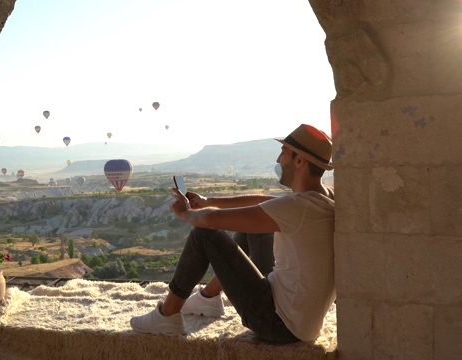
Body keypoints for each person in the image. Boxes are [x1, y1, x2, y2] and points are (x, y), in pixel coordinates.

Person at [130, 124, 335, 344]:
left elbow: (210, 221)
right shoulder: (323, 198)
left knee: (204, 236)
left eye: (283, 153)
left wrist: (185, 213)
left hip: (278, 324)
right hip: (301, 319)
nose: (278, 160)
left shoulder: (298, 207)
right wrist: (210, 202)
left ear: (300, 161)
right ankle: (208, 298)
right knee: (255, 232)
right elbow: (266, 202)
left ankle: (167, 315)